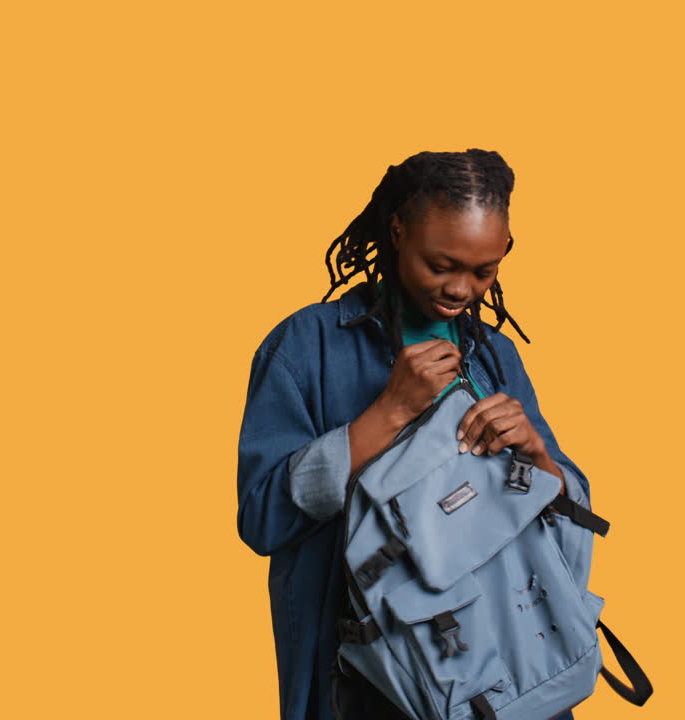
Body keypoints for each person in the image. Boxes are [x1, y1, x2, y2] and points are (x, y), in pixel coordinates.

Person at [236, 149, 593, 720]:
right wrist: (390, 412)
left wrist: (539, 455)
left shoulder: (496, 356)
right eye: (441, 264)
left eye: (484, 271)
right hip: (361, 684)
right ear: (398, 230)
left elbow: (569, 519)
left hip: (508, 679)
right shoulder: (306, 345)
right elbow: (262, 518)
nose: (461, 290)